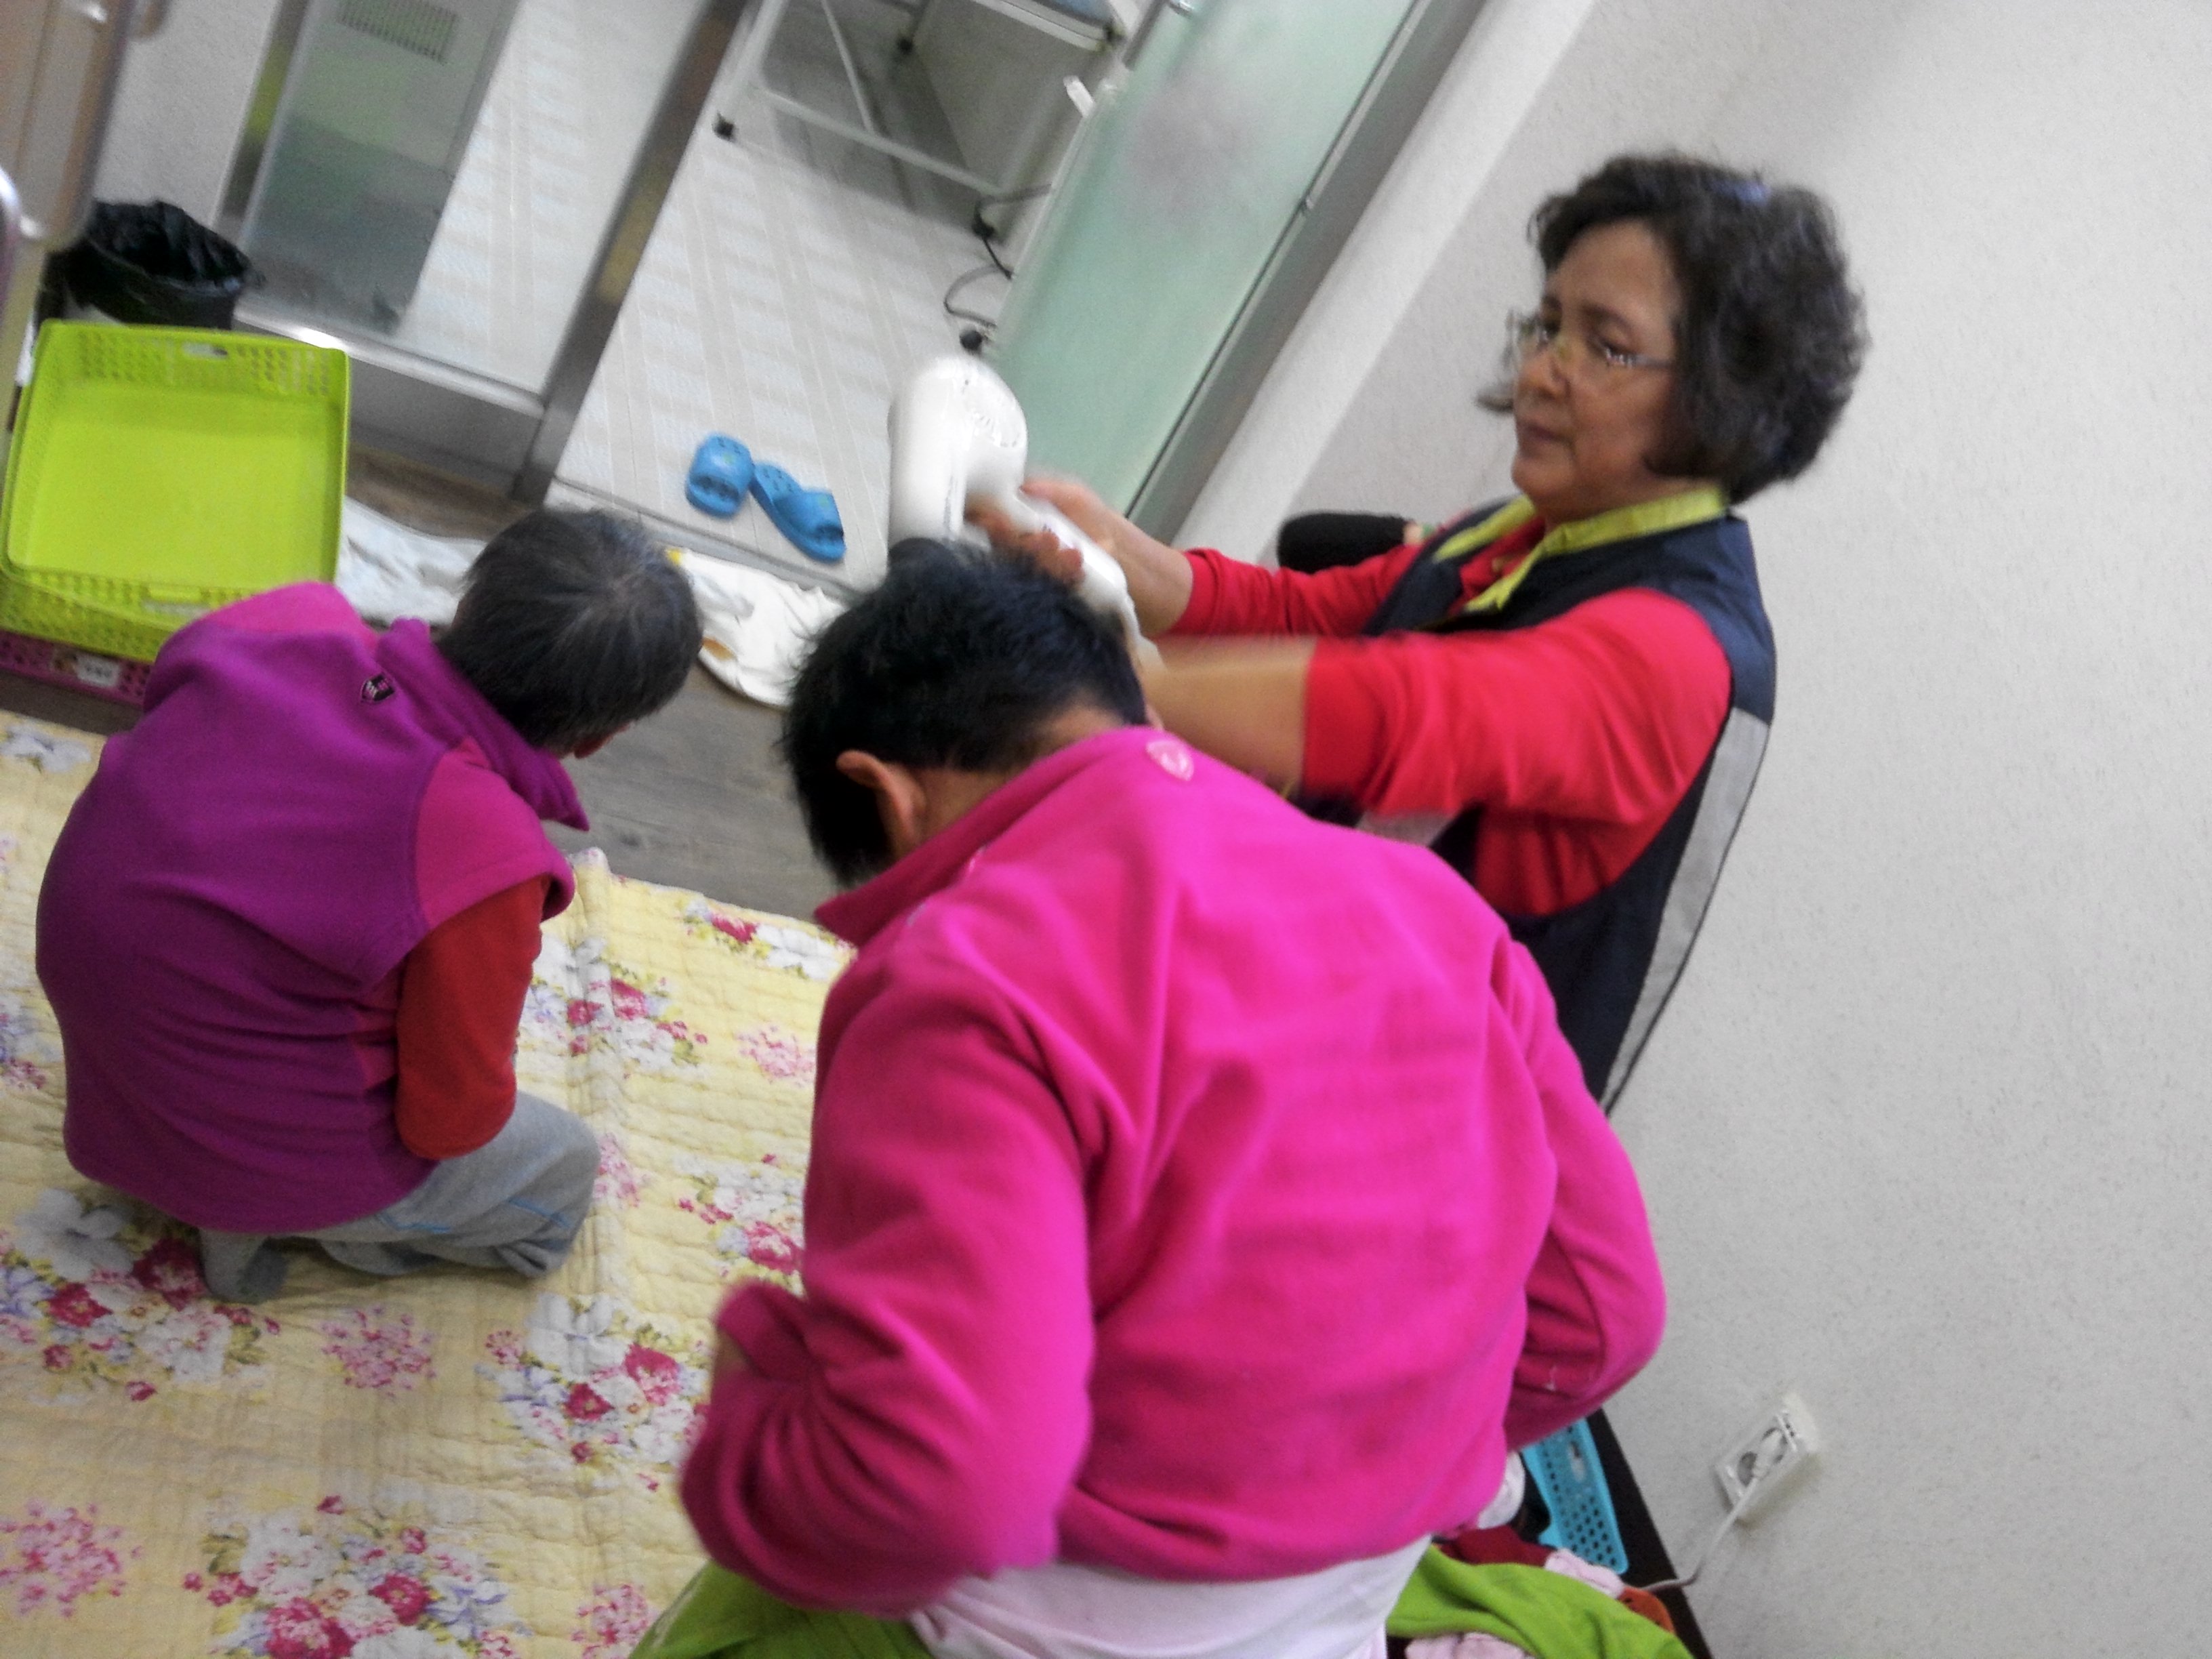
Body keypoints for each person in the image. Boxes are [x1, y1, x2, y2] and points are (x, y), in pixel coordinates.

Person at [641, 546, 1664, 1659]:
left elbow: (938, 1486)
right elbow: (1603, 1316)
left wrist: (750, 1440)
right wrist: (1369, 1460)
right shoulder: (1440, 912)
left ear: (886, 796)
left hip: (1060, 1618)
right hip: (1351, 1594)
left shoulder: (964, 971)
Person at [983, 153, 1866, 1108]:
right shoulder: (1528, 531)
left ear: (1725, 394)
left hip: (1433, 1124)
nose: (1540, 372)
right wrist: (1118, 552)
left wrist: (1113, 692)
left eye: (1605, 347)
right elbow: (1312, 618)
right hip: (1307, 1020)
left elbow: (1405, 710)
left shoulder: (1682, 650)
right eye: (1548, 326)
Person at [35, 508, 702, 1303]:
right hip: (237, 1135)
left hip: (106, 1060)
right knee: (564, 1169)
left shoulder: (287, 618)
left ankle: (229, 1194)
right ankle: (292, 1224)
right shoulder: (484, 849)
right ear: (601, 737)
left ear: (466, 604)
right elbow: (449, 1121)